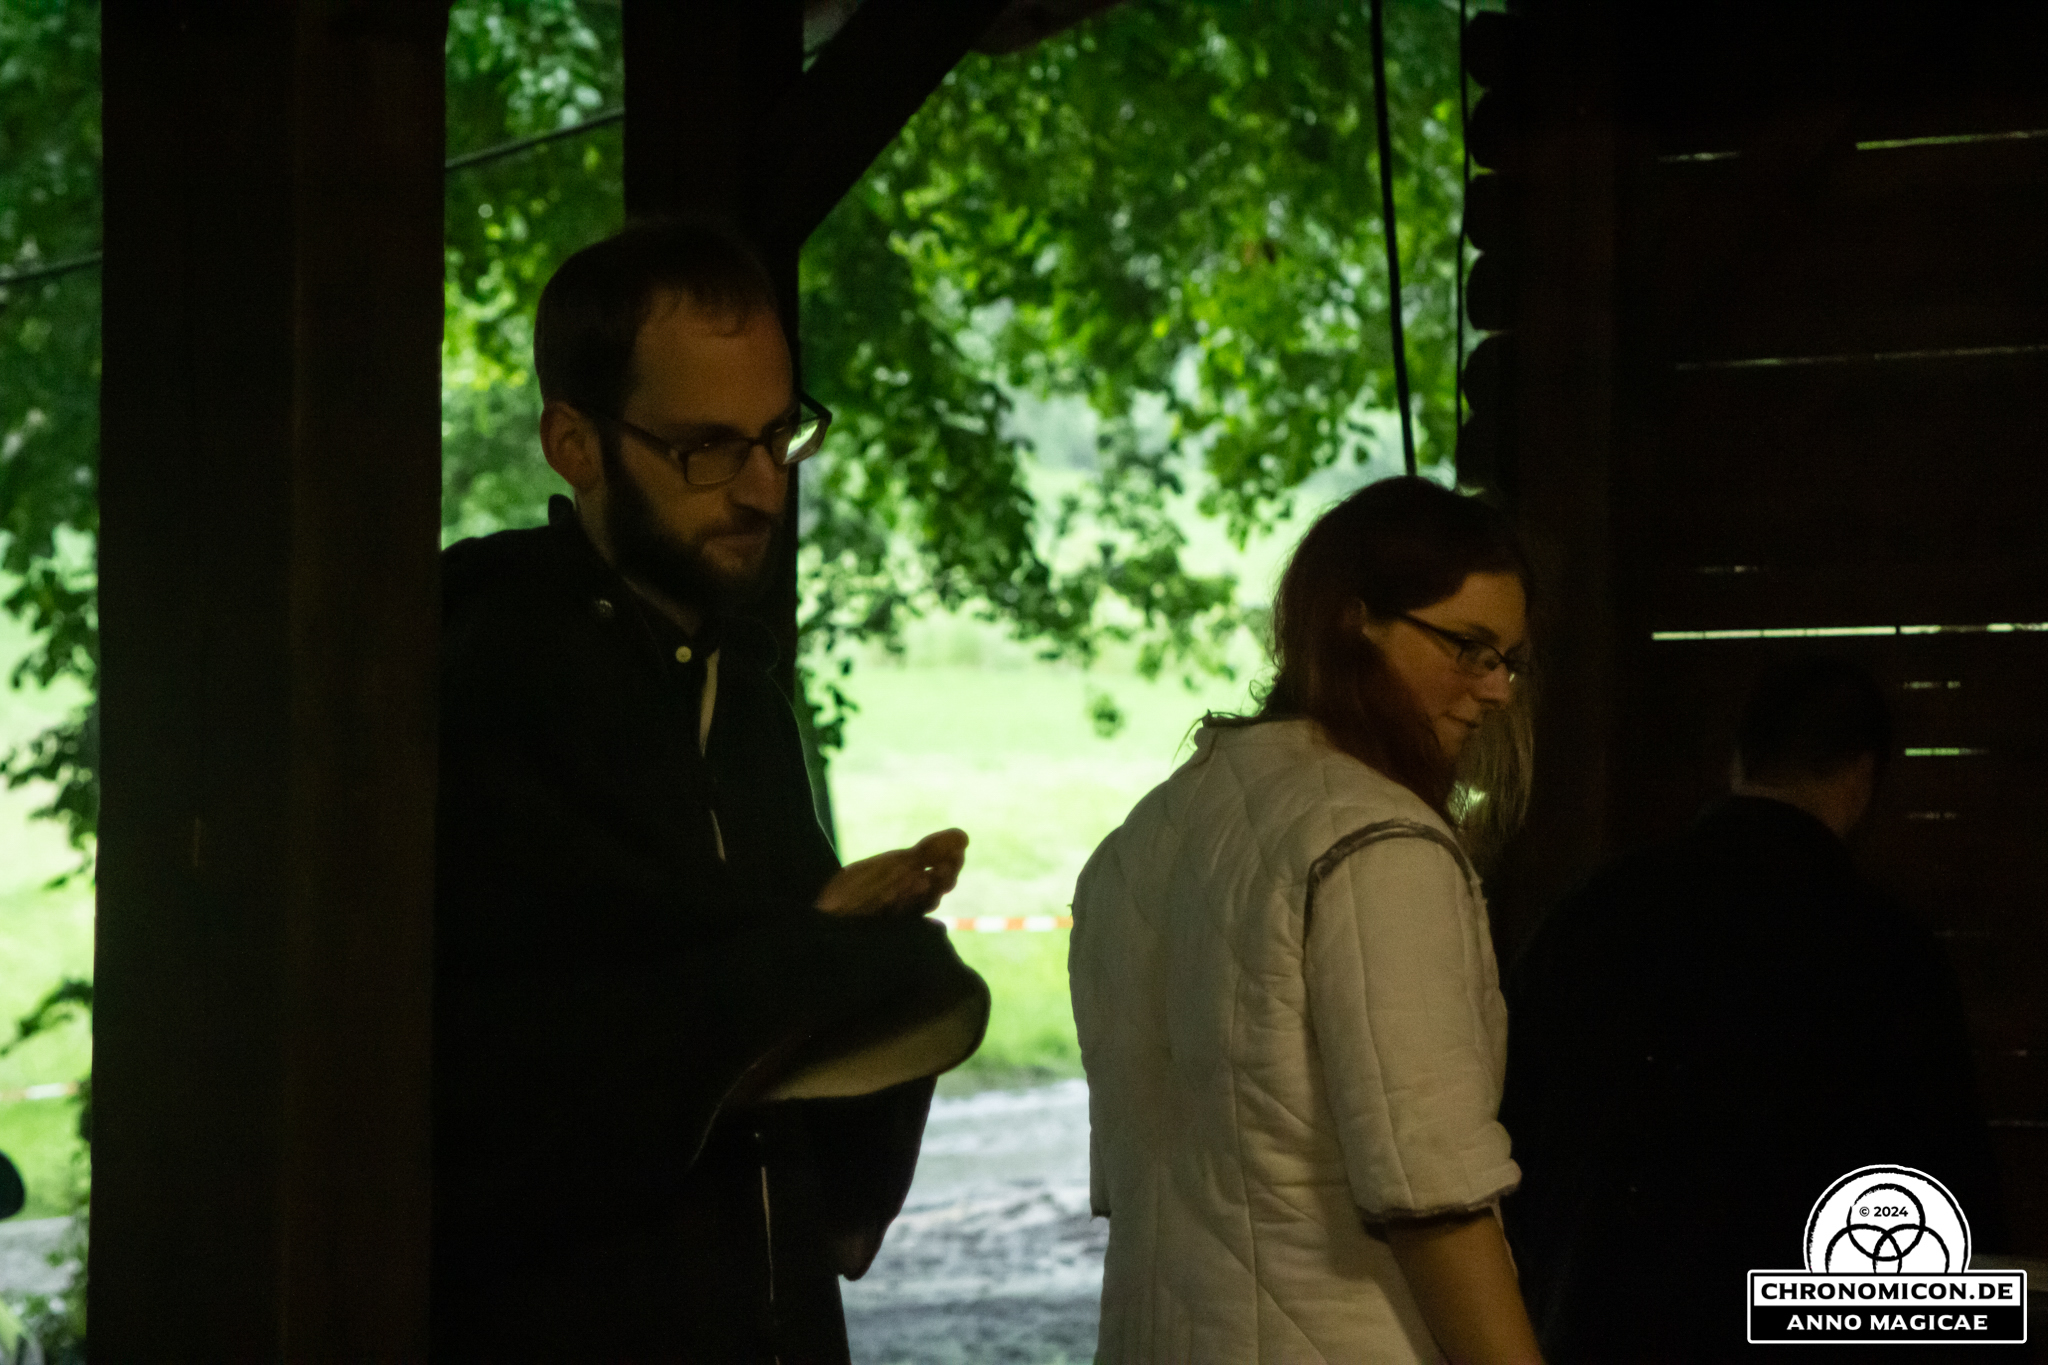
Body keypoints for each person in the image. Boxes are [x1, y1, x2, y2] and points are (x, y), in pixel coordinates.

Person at [432, 218, 990, 1363]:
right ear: (574, 443)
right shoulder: (491, 672)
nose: (760, 490)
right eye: (704, 448)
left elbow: (737, 1004)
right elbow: (534, 1058)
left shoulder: (741, 694)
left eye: (778, 437)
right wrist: (807, 960)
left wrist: (836, 939)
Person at [1070, 477, 1544, 1363]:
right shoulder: (1381, 847)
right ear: (1352, 620)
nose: (1496, 691)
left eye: (1508, 660)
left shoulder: (1143, 839)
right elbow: (1435, 1196)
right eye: (1468, 647)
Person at [1501, 658, 2009, 1363]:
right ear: (1862, 778)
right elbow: (1946, 1197)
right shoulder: (1885, 952)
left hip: (1598, 1327)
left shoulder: (1594, 914)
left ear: (1738, 758)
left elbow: (1508, 1133)